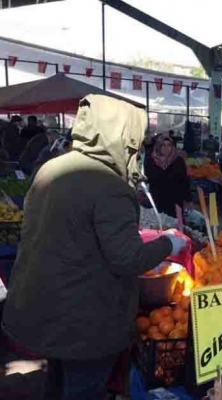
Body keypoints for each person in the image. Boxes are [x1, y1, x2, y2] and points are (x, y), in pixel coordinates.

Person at [1, 95, 188, 400]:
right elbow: (128, 259)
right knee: (83, 389)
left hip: (44, 304)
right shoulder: (109, 185)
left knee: (56, 382)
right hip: (84, 319)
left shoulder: (51, 167)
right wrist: (169, 242)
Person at [145, 133, 192, 217]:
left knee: (176, 223)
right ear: (158, 146)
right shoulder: (151, 160)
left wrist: (188, 200)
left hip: (176, 200)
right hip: (158, 200)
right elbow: (148, 179)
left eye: (169, 145)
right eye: (163, 145)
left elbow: (184, 181)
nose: (166, 148)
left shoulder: (178, 160)